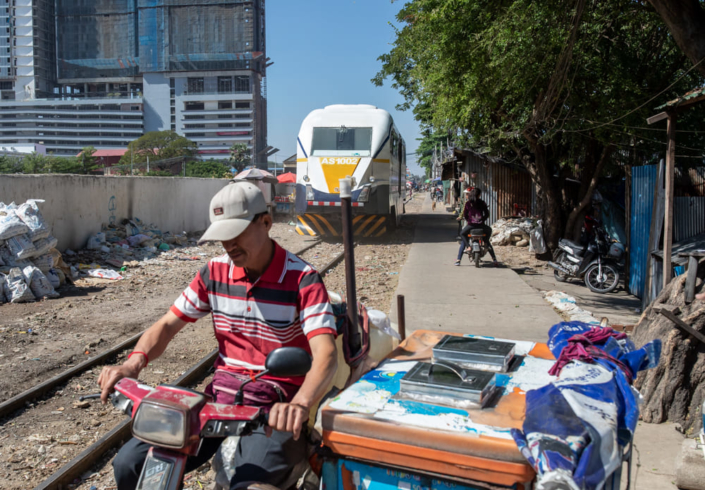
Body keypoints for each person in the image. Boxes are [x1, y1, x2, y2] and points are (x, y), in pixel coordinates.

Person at [100, 181, 338, 490]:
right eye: (221, 237)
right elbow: (168, 324)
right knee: (131, 464)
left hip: (273, 407)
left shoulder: (302, 279)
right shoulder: (214, 273)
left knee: (250, 485)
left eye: (235, 233)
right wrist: (132, 365)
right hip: (218, 403)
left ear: (265, 223)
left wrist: (301, 403)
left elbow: (326, 354)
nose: (228, 245)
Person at [455, 188, 498, 266]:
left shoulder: (468, 203)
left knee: (462, 234)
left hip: (471, 226)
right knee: (488, 235)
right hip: (481, 225)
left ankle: (461, 256)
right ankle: (494, 259)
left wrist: (469, 221)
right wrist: (482, 219)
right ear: (479, 195)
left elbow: (465, 215)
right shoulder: (482, 203)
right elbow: (487, 214)